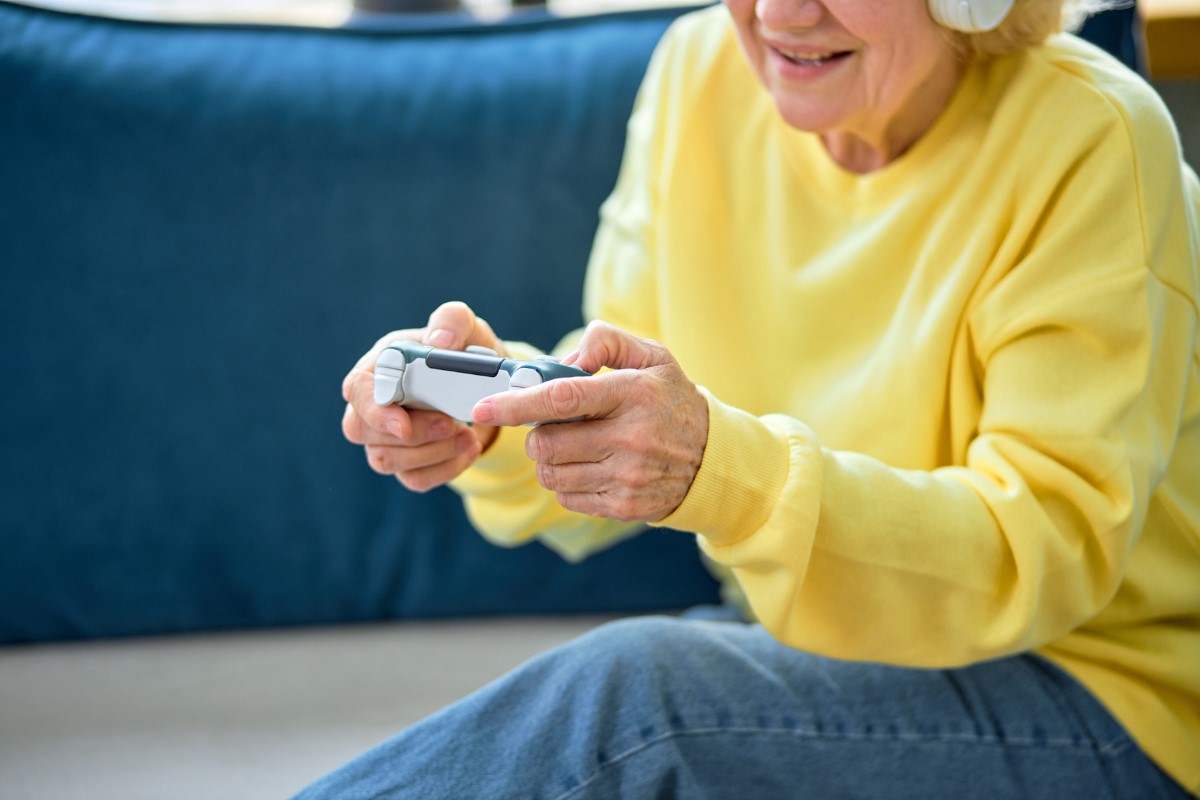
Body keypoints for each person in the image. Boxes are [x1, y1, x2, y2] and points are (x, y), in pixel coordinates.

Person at [308, 0, 1200, 795]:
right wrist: (491, 417)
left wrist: (718, 471)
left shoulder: (1092, 137)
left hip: (1099, 695)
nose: (780, 13)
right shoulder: (702, 73)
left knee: (637, 696)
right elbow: (619, 416)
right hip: (816, 649)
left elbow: (1042, 554)